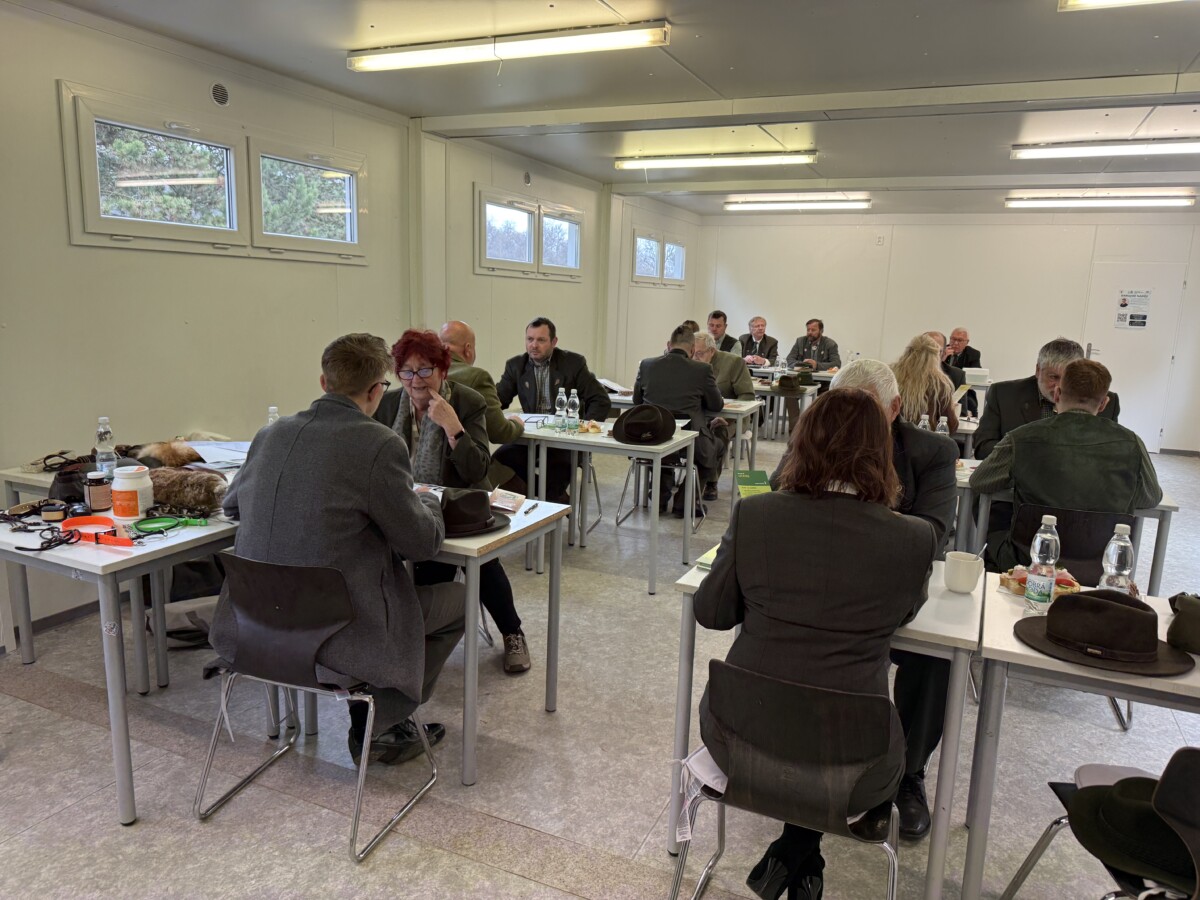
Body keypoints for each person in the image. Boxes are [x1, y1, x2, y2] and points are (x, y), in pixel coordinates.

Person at [696, 389, 938, 899]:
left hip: (741, 738)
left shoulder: (756, 514)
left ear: (801, 443)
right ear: (883, 453)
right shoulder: (914, 538)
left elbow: (711, 612)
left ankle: (796, 853)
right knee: (827, 731)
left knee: (800, 716)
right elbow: (904, 615)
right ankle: (799, 853)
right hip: (857, 763)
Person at [211, 333, 465, 767]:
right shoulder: (379, 444)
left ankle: (373, 721)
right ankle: (382, 724)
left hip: (252, 630)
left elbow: (232, 505)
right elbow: (422, 544)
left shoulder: (270, 434)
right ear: (376, 391)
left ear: (324, 382)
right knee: (458, 600)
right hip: (336, 637)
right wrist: (427, 502)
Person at [771, 358, 959, 840]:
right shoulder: (816, 433)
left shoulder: (931, 451)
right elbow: (778, 491)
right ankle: (797, 750)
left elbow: (933, 532)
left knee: (935, 654)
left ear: (894, 409)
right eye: (839, 404)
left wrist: (857, 524)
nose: (848, 417)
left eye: (865, 407)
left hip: (888, 585)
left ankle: (909, 772)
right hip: (823, 582)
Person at [376, 330, 531, 674]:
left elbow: (478, 468)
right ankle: (408, 639)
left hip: (460, 505)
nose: (416, 380)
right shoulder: (387, 405)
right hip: (407, 506)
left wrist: (453, 428)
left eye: (424, 369)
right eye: (406, 371)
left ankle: (513, 633)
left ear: (443, 370)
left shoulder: (467, 401)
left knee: (481, 562)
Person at [970, 358, 1162, 573]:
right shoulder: (1132, 443)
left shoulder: (1020, 437)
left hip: (1027, 559)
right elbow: (1150, 498)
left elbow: (980, 481)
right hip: (1101, 564)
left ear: (1057, 394)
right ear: (1103, 404)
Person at [494, 317, 611, 502]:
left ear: (554, 342)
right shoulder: (516, 365)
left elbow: (600, 399)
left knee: (557, 469)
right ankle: (554, 497)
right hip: (530, 436)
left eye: (541, 340)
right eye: (530, 339)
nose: (534, 345)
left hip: (564, 438)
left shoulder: (573, 363)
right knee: (499, 460)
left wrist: (585, 428)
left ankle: (550, 498)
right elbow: (498, 399)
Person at [974, 337, 1121, 460]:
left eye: (1068, 378)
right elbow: (983, 447)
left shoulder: (1102, 400)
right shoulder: (1004, 394)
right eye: (1054, 377)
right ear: (1038, 370)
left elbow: (1112, 452)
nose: (1059, 386)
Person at [632, 325, 726, 514]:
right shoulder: (702, 369)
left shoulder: (647, 365)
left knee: (665, 450)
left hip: (653, 436)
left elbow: (637, 400)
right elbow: (716, 405)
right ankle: (685, 501)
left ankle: (659, 498)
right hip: (690, 439)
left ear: (668, 345)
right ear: (692, 350)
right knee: (719, 441)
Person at [438, 319, 526, 489]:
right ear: (468, 349)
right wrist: (517, 423)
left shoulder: (427, 374)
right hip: (465, 474)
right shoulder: (477, 377)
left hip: (428, 473)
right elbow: (499, 432)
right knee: (519, 480)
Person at [692, 332, 754, 500]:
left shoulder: (733, 362)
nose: (695, 358)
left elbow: (747, 395)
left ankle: (711, 482)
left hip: (731, 419)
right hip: (701, 415)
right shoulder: (690, 364)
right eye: (692, 353)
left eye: (699, 353)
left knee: (717, 432)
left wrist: (727, 417)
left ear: (711, 351)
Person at [893, 333, 959, 433]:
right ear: (936, 356)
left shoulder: (890, 374)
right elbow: (951, 425)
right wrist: (952, 408)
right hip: (925, 439)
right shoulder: (939, 383)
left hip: (891, 437)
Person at [944, 327, 981, 416]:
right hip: (944, 388)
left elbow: (976, 373)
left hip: (963, 389)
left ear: (967, 342)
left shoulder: (973, 354)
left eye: (960, 340)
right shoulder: (942, 351)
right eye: (953, 339)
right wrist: (943, 357)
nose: (955, 343)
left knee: (971, 403)